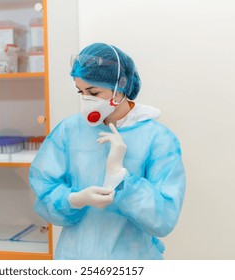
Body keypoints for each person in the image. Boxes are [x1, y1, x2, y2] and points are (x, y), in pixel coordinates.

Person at [29, 42, 186, 259]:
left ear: (120, 87)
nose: (86, 99)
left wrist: (120, 177)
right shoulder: (70, 129)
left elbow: (164, 218)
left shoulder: (158, 139)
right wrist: (73, 199)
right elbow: (43, 187)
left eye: (93, 92)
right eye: (81, 91)